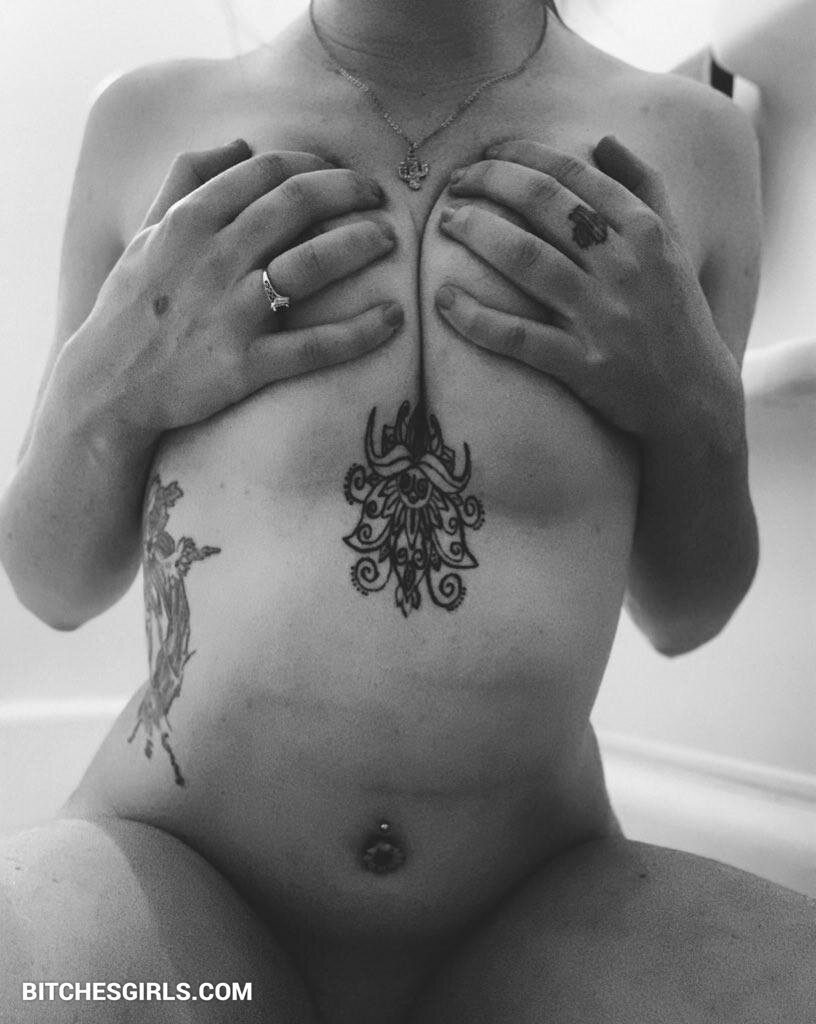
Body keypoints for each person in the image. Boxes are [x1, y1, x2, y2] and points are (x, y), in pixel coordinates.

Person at [1, 0, 814, 1021]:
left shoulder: (696, 143)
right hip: (178, 876)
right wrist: (109, 393)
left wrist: (692, 403)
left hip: (535, 903)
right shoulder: (147, 119)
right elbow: (53, 585)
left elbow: (687, 608)